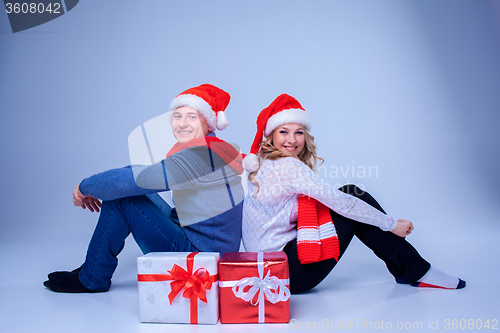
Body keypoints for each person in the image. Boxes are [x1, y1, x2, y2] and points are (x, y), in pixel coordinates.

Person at [242, 94, 466, 294]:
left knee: (350, 198)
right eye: (284, 132)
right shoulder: (287, 166)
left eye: (298, 132)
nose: (292, 140)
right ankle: (418, 271)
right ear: (271, 135)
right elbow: (342, 204)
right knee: (352, 196)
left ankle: (407, 270)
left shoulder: (263, 163)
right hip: (284, 274)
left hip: (268, 268)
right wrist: (391, 224)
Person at [44, 84, 245, 293]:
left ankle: (92, 277)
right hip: (202, 244)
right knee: (127, 191)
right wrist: (97, 188)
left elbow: (129, 182)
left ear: (209, 123)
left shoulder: (199, 157)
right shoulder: (210, 150)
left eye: (192, 117)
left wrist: (85, 187)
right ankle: (93, 268)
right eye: (177, 116)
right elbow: (140, 174)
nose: (183, 124)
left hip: (202, 260)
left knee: (124, 198)